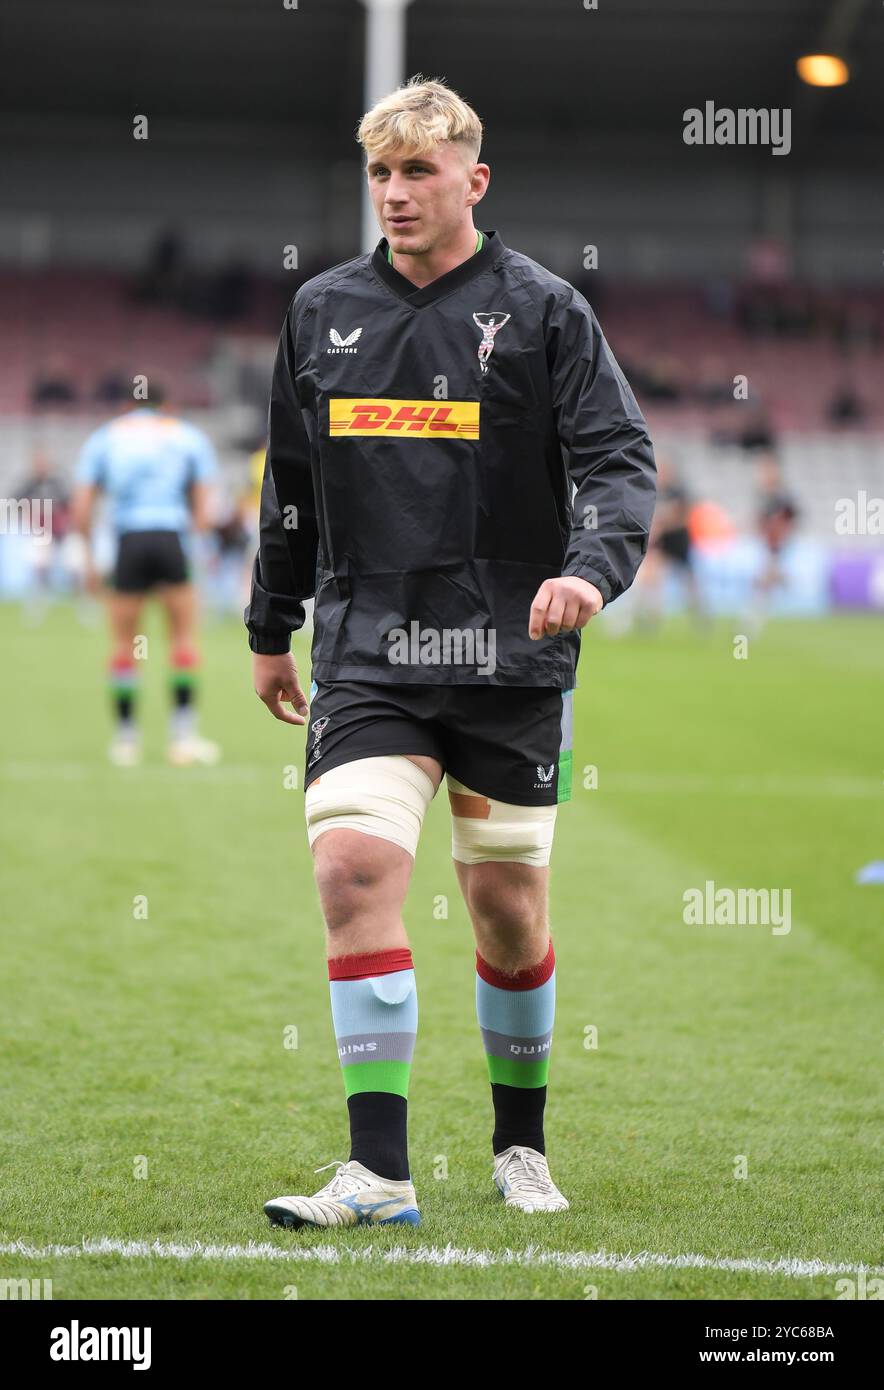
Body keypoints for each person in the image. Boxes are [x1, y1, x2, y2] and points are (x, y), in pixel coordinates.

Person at [246, 77, 656, 1228]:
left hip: (507, 659)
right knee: (350, 873)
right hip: (368, 654)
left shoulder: (544, 311)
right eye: (380, 173)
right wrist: (269, 625)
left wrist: (587, 570)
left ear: (472, 180)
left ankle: (518, 1146)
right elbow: (289, 487)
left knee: (507, 911)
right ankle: (376, 1171)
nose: (395, 193)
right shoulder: (320, 309)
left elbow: (619, 461)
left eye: (418, 172)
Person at [70, 388, 221, 767]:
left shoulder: (107, 436)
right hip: (171, 539)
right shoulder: (186, 435)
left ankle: (126, 740)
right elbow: (204, 506)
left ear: (126, 405)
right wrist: (199, 554)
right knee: (183, 639)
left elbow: (83, 506)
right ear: (168, 405)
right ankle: (182, 739)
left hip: (129, 541)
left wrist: (88, 559)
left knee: (124, 643)